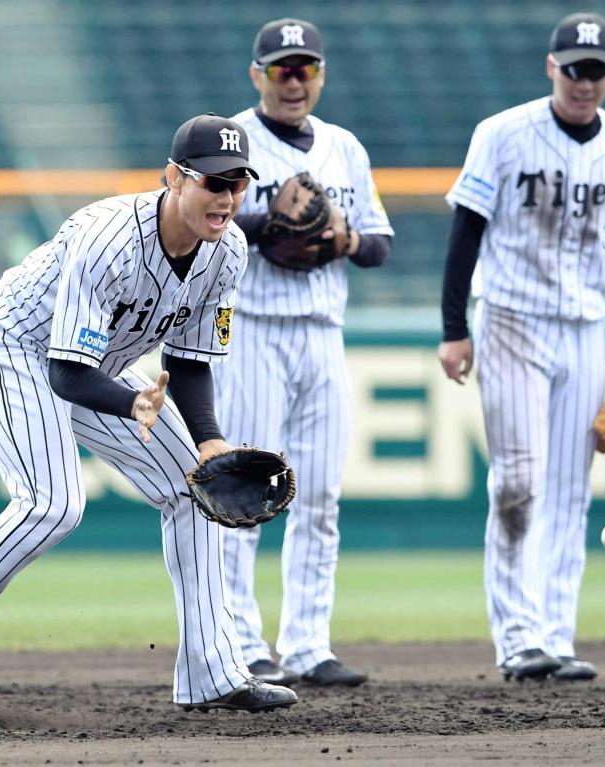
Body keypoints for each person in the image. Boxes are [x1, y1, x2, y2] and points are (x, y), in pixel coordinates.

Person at [0, 113, 298, 713]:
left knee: (197, 487)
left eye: (237, 184)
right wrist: (132, 401)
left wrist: (208, 440)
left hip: (99, 365)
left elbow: (189, 361)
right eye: (212, 182)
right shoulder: (109, 239)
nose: (226, 197)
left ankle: (215, 673)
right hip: (15, 349)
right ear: (174, 179)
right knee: (51, 505)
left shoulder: (228, 252)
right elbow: (66, 373)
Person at [438, 13, 605, 681]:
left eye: (595, 70)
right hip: (510, 319)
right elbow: (466, 232)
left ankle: (555, 635)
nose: (583, 82)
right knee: (519, 480)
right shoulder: (502, 134)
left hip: (587, 328)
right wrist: (454, 327)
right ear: (550, 66)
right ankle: (517, 636)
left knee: (570, 489)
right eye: (572, 68)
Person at [214, 18, 394, 687]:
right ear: (257, 74)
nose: (294, 80)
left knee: (319, 494)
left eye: (306, 68)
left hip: (322, 332)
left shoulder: (345, 147)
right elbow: (200, 220)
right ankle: (240, 642)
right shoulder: (232, 140)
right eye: (281, 68)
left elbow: (379, 243)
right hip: (252, 327)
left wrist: (339, 237)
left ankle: (309, 645)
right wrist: (268, 225)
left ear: (321, 75)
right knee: (243, 495)